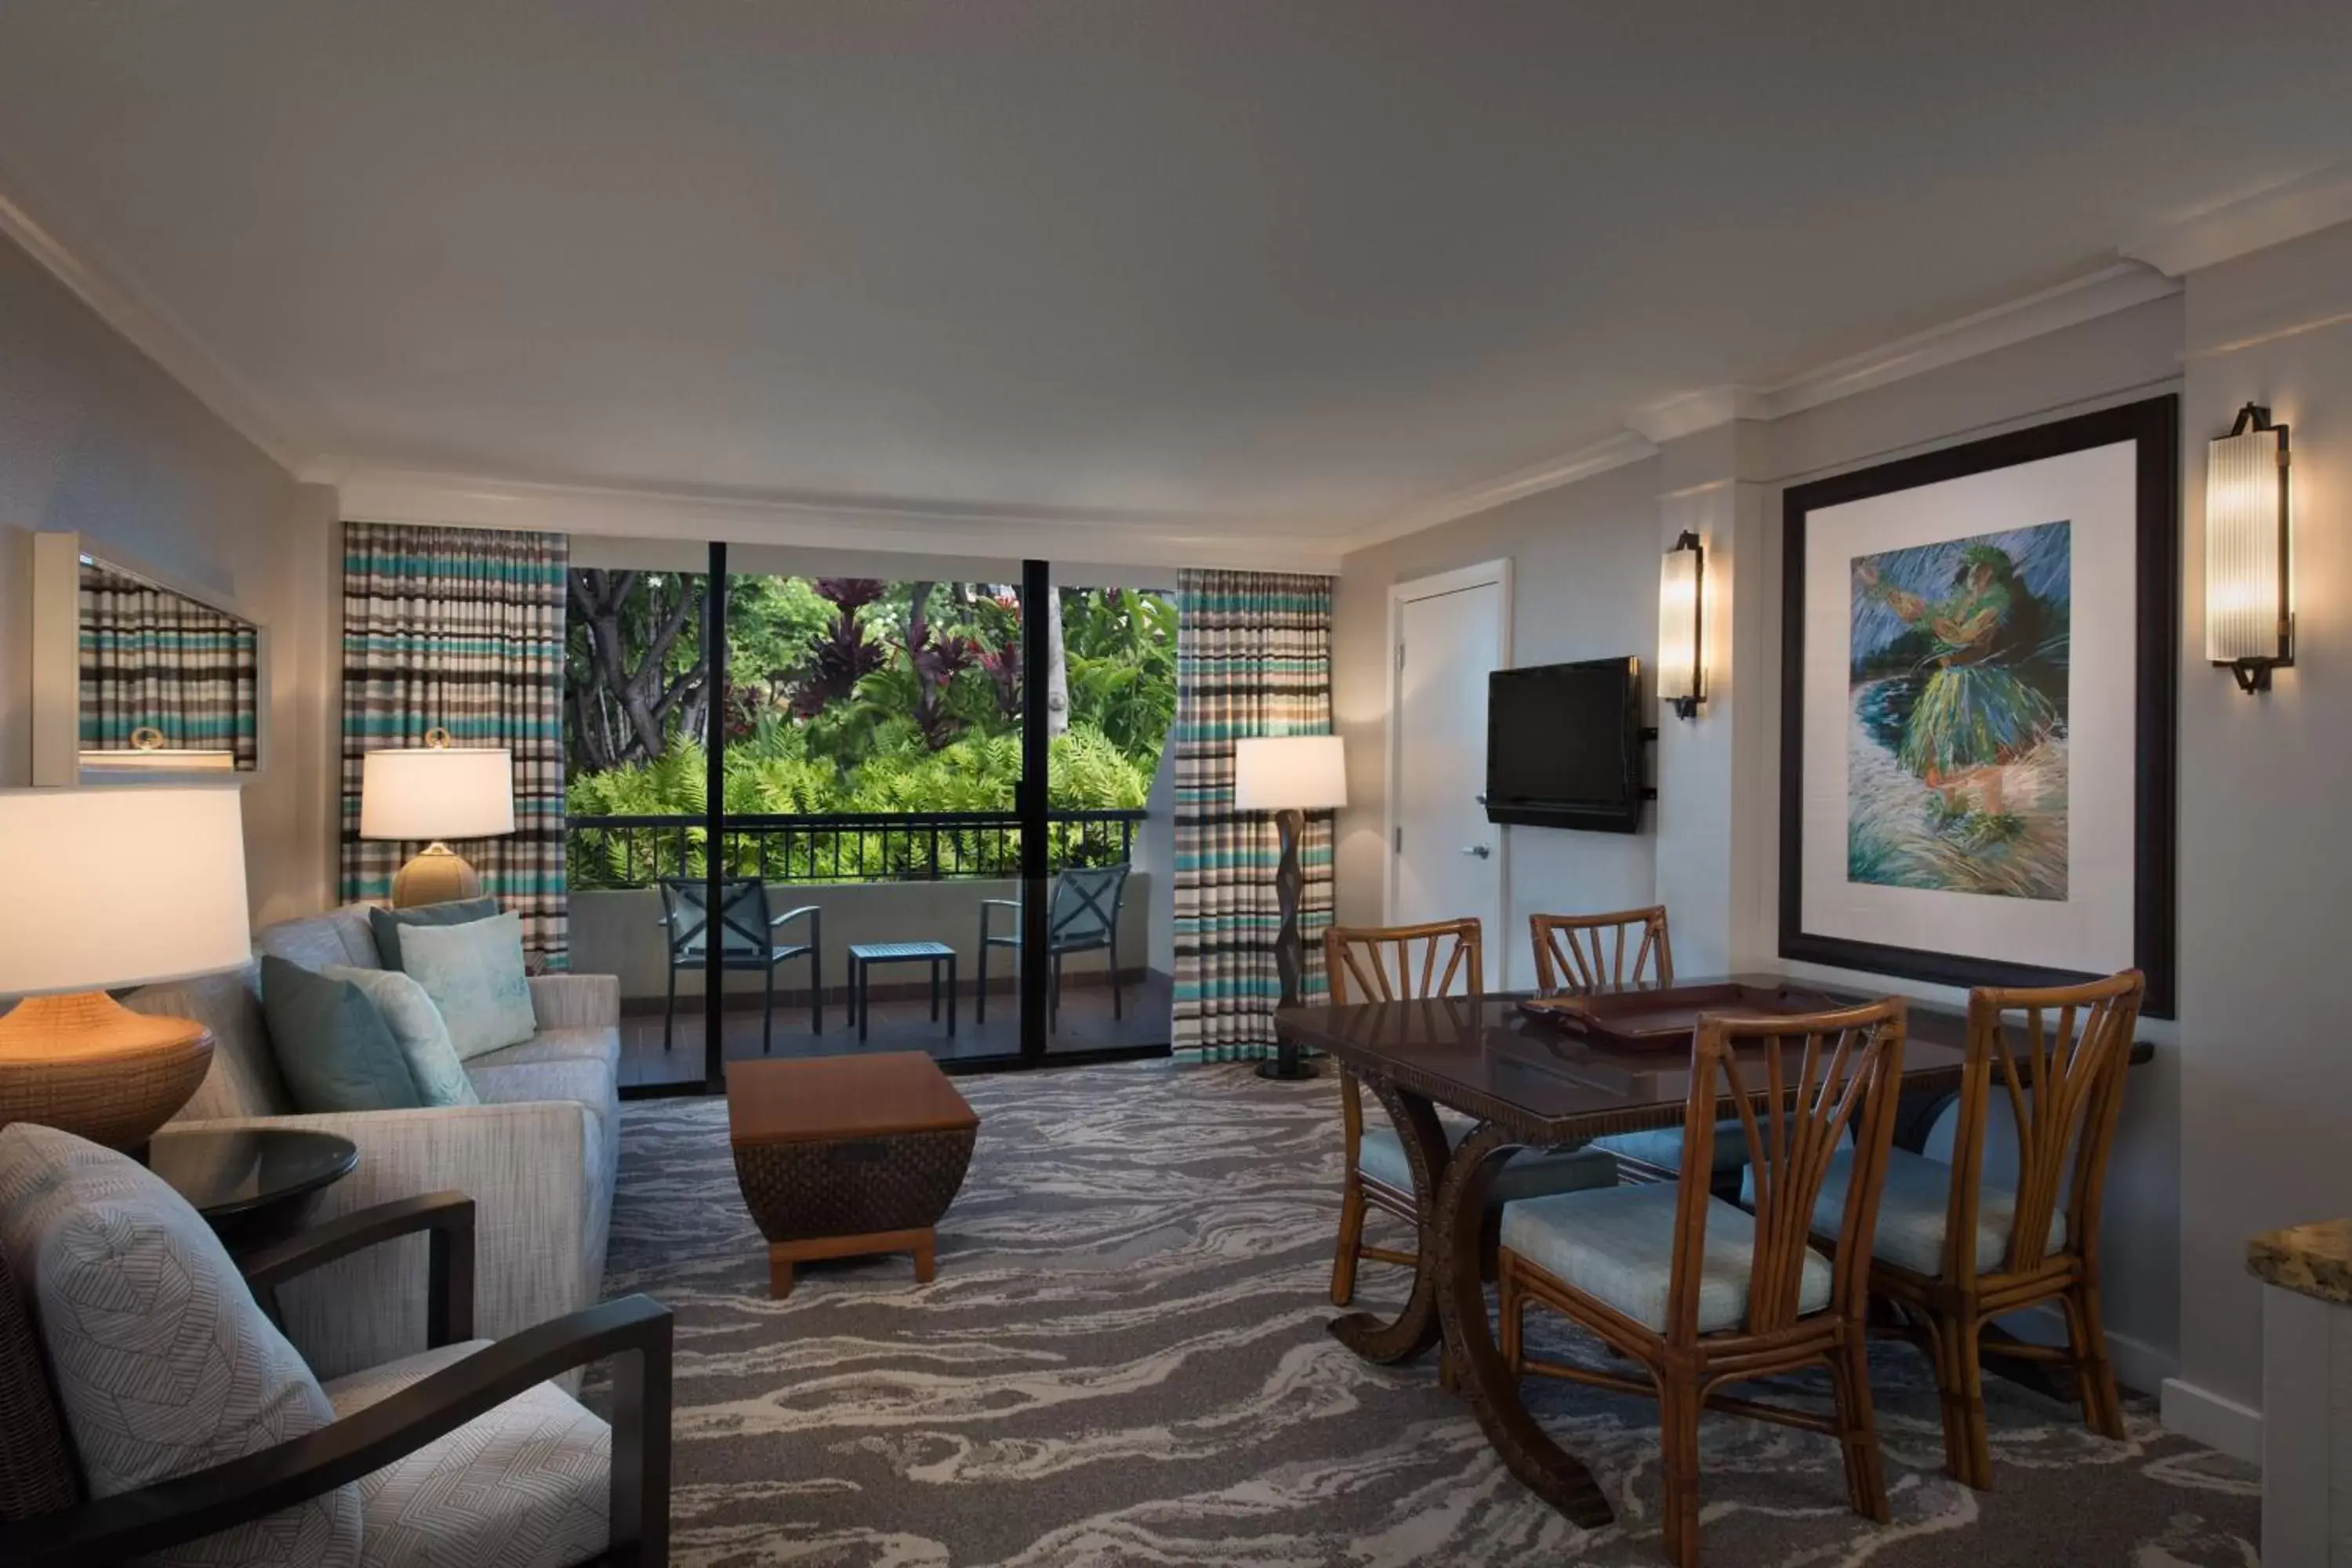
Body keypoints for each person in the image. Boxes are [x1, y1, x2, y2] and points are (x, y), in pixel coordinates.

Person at [1853, 543, 2056, 818]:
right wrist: (1884, 587)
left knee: (1987, 753)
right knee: (1938, 753)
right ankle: (1951, 807)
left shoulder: (1995, 603)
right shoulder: (1958, 602)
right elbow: (1916, 612)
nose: (1976, 575)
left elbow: (1961, 637)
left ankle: (1994, 818)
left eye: (1984, 571)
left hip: (1977, 685)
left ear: (1993, 575)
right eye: (1975, 570)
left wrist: (1928, 616)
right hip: (1946, 685)